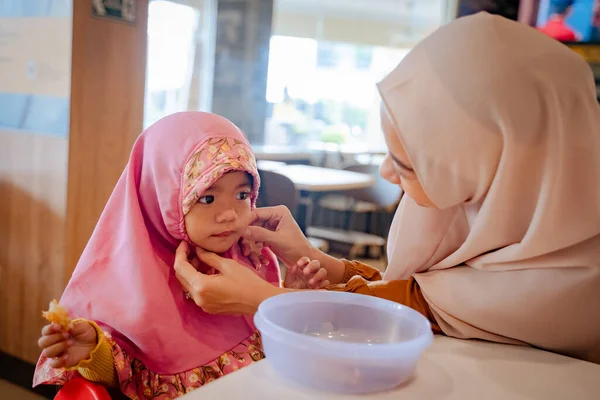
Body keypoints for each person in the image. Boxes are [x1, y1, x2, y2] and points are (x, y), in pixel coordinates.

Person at [176, 13, 600, 364]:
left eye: (407, 164)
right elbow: (414, 296)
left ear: (501, 172)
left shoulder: (574, 293)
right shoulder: (497, 225)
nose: (385, 173)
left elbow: (398, 314)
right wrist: (312, 258)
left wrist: (268, 301)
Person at [34, 112, 328, 398]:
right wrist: (93, 353)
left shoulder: (248, 254)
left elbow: (269, 354)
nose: (229, 215)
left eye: (241, 195)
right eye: (207, 198)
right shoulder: (127, 277)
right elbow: (133, 381)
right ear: (161, 194)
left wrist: (288, 298)